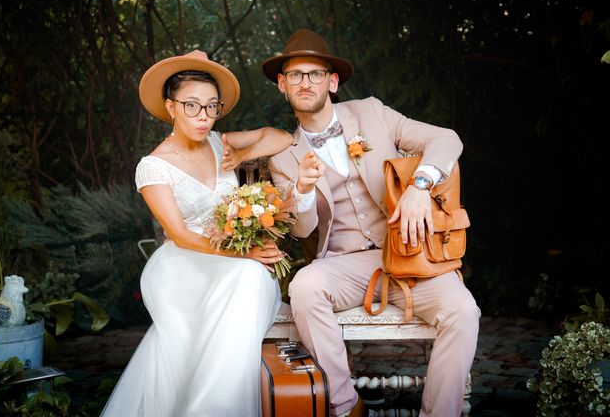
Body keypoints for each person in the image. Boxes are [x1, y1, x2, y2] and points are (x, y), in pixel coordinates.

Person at [263, 29, 480, 417]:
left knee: (463, 311)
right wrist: (303, 189)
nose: (305, 82)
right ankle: (346, 407)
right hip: (344, 264)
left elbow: (447, 139)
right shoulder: (283, 156)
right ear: (282, 85)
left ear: (332, 82)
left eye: (315, 74)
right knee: (306, 286)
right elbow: (301, 230)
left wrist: (419, 186)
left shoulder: (371, 113)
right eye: (295, 75)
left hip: (410, 254)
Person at [101, 50, 292, 417]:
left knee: (249, 279)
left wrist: (243, 154)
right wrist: (246, 253)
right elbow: (179, 235)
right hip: (182, 266)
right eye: (191, 106)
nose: (203, 116)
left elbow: (279, 136)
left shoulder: (220, 143)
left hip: (229, 260)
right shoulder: (154, 166)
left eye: (211, 107)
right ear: (170, 107)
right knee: (249, 274)